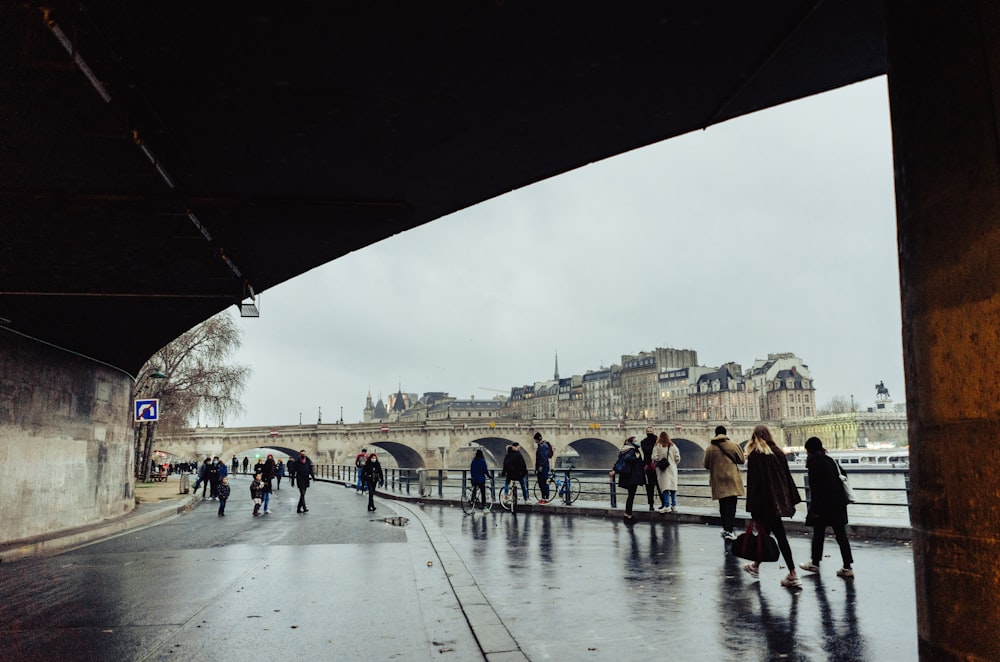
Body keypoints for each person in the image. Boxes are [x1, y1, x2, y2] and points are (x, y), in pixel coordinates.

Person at [743, 424, 803, 588]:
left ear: (754, 436)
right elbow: (787, 477)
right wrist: (791, 501)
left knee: (773, 537)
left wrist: (753, 509)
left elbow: (753, 484)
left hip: (763, 504)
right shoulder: (778, 452)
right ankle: (757, 566)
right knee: (772, 536)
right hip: (777, 502)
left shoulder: (755, 455)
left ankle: (792, 573)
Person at [799, 436, 855, 578]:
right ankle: (847, 566)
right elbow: (843, 475)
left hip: (824, 506)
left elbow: (816, 489)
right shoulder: (830, 460)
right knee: (841, 535)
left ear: (809, 451)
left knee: (818, 534)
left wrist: (815, 510)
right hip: (838, 504)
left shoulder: (814, 464)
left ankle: (815, 563)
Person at [703, 425, 745, 540]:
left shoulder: (710, 448)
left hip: (718, 479)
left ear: (715, 434)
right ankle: (730, 530)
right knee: (732, 505)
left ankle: (726, 528)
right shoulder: (733, 445)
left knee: (723, 505)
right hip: (732, 479)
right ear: (726, 433)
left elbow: (706, 465)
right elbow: (742, 460)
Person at [610, 436, 645, 522]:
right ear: (632, 441)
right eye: (636, 440)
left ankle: (628, 513)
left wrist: (614, 469)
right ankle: (628, 514)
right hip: (632, 476)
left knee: (630, 495)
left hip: (626, 475)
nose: (637, 442)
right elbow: (628, 458)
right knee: (631, 495)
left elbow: (620, 460)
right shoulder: (632, 449)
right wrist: (636, 458)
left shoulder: (624, 449)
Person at [651, 431, 681, 513]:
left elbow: (654, 457)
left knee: (665, 488)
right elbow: (677, 458)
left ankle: (667, 505)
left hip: (662, 469)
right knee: (673, 488)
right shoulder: (673, 446)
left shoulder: (657, 446)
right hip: (672, 468)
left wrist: (660, 460)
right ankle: (674, 505)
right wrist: (673, 463)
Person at [640, 426, 659, 511]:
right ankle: (651, 504)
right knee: (650, 486)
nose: (650, 433)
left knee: (660, 485)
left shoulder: (658, 441)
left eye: (651, 431)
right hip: (648, 466)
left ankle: (664, 503)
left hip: (657, 465)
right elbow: (646, 451)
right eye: (648, 431)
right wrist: (654, 444)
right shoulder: (643, 442)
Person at [533, 432, 553, 504]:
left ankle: (546, 498)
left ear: (538, 439)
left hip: (543, 468)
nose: (534, 441)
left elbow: (543, 458)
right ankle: (543, 498)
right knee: (541, 483)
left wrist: (540, 466)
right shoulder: (541, 446)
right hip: (541, 467)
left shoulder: (543, 446)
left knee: (544, 483)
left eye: (535, 439)